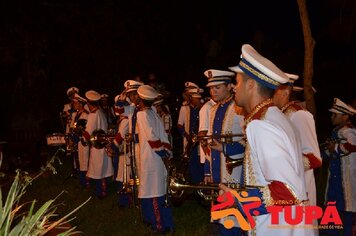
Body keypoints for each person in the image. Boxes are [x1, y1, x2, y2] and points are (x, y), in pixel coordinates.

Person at [224, 44, 312, 235]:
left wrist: (240, 198)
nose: (233, 87)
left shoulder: (261, 125)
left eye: (237, 82)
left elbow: (288, 190)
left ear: (251, 85)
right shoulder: (276, 116)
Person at [202, 69, 245, 236]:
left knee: (232, 219)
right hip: (217, 169)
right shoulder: (213, 110)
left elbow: (248, 141)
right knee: (220, 217)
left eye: (218, 87)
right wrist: (208, 168)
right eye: (211, 88)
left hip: (234, 171)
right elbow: (211, 142)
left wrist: (226, 148)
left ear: (229, 86)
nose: (213, 91)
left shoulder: (239, 108)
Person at [273, 73, 322, 207]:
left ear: (285, 92)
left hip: (300, 190)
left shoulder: (299, 115)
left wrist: (281, 162)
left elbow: (315, 159)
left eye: (273, 89)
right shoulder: (277, 114)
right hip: (282, 188)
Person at [136, 85, 175, 234]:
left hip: (152, 158)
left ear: (141, 100)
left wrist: (164, 155)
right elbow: (162, 136)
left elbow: (152, 138)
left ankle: (159, 225)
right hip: (158, 157)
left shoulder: (142, 115)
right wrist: (167, 153)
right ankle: (164, 222)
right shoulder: (153, 113)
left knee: (154, 193)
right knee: (159, 190)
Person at [321, 97, 356, 236]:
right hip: (335, 180)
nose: (331, 117)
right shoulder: (337, 131)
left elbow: (352, 146)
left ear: (345, 116)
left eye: (335, 114)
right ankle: (331, 232)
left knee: (347, 210)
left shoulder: (349, 131)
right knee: (332, 207)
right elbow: (330, 152)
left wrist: (334, 148)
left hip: (345, 181)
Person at [82, 90, 114, 199]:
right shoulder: (101, 112)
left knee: (97, 170)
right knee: (103, 168)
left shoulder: (93, 115)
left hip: (96, 146)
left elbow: (88, 132)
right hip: (103, 144)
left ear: (89, 103)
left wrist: (82, 138)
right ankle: (104, 190)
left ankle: (101, 192)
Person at [70, 93, 90, 188]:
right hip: (76, 140)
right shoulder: (76, 114)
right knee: (78, 160)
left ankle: (86, 182)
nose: (74, 105)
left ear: (81, 104)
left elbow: (85, 129)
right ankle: (81, 181)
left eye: (75, 103)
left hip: (82, 141)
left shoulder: (85, 115)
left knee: (84, 161)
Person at [61, 86, 79, 156]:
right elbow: (64, 117)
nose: (74, 96)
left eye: (75, 94)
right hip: (70, 127)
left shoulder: (81, 105)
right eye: (72, 95)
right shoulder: (67, 106)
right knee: (71, 147)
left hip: (78, 127)